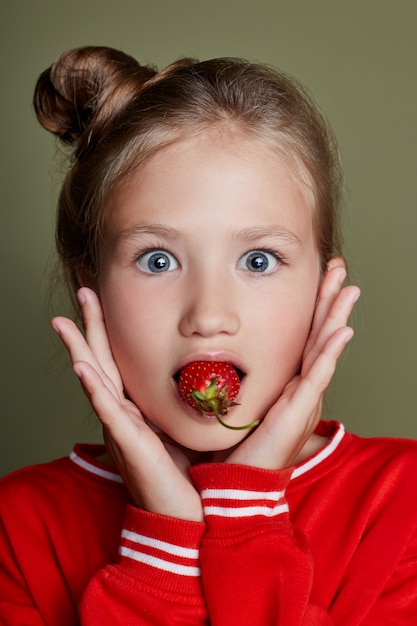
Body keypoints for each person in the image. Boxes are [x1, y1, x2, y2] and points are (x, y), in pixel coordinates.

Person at [1, 46, 416, 626]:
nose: (209, 315)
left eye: (259, 260)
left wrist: (245, 510)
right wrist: (163, 540)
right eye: (158, 261)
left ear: (323, 288)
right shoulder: (18, 530)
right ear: (88, 288)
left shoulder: (404, 508)